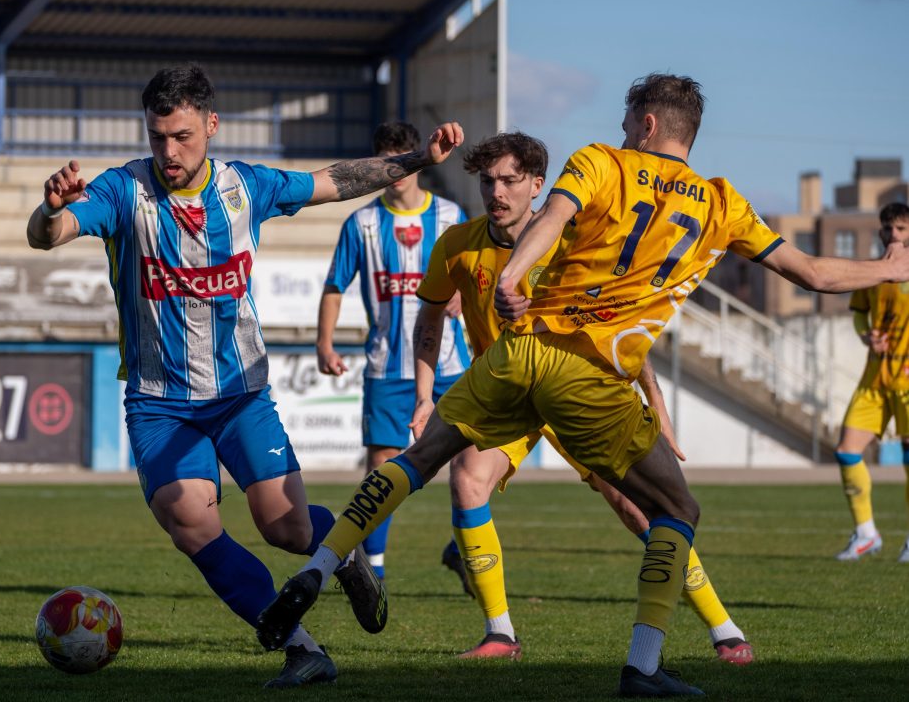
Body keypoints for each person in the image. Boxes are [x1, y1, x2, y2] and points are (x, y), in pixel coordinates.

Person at [255, 73, 909, 697]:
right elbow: (817, 275)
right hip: (590, 376)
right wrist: (887, 267)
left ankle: (318, 568)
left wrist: (513, 274)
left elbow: (554, 217)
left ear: (647, 123)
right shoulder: (722, 203)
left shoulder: (601, 162)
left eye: (628, 125)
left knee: (419, 459)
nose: (622, 134)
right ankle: (644, 664)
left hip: (520, 353)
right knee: (677, 511)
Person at [25, 64, 462, 689]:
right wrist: (49, 209)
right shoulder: (125, 192)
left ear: (211, 124)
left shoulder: (245, 188)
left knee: (283, 527)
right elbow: (50, 234)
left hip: (240, 395)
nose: (169, 151)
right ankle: (302, 649)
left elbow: (333, 182)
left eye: (181, 136)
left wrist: (417, 158)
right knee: (191, 522)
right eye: (157, 137)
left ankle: (342, 555)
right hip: (159, 403)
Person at [411, 131, 752, 664]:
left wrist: (656, 405)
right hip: (505, 394)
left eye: (509, 181)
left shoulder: (574, 242)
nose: (496, 192)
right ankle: (500, 634)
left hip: (575, 387)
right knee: (466, 479)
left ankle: (723, 627)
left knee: (639, 509)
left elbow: (619, 328)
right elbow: (429, 316)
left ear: (536, 186)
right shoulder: (457, 244)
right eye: (488, 181)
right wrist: (425, 395)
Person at [317, 121, 472, 584]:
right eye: (388, 159)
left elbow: (473, 271)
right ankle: (375, 573)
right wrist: (324, 342)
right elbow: (334, 286)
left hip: (451, 362)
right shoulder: (362, 223)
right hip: (388, 366)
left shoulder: (450, 215)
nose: (397, 168)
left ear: (420, 158)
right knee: (383, 467)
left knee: (473, 459)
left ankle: (461, 546)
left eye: (405, 156)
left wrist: (466, 291)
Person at [834, 201, 909, 563]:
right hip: (875, 376)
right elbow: (860, 314)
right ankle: (866, 533)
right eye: (888, 229)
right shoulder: (873, 271)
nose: (893, 235)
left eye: (901, 229)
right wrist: (867, 337)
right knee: (847, 450)